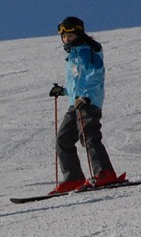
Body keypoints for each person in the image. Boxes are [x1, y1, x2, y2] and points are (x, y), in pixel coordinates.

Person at [48, 16, 120, 194]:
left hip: (89, 102)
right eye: (64, 37)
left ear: (79, 34)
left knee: (89, 136)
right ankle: (73, 178)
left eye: (70, 36)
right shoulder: (74, 55)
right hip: (75, 103)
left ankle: (104, 173)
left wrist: (87, 96)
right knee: (63, 139)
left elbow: (95, 76)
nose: (67, 40)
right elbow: (77, 82)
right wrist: (64, 91)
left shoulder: (88, 52)